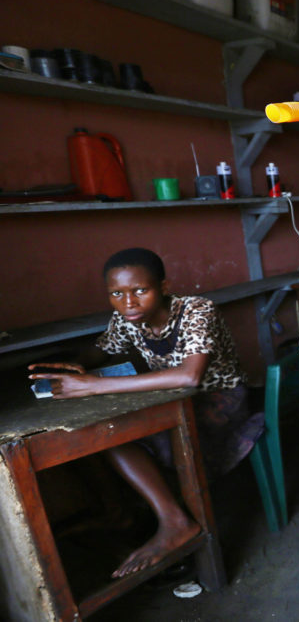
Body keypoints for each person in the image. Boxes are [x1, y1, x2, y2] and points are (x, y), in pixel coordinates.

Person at [29, 247, 263, 578]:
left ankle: (174, 522)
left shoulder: (197, 311)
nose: (129, 302)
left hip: (219, 401)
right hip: (170, 400)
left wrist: (92, 385)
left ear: (164, 287)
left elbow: (189, 376)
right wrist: (76, 366)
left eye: (140, 290)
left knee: (122, 432)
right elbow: (100, 349)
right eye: (116, 293)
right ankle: (123, 513)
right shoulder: (127, 318)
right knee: (101, 432)